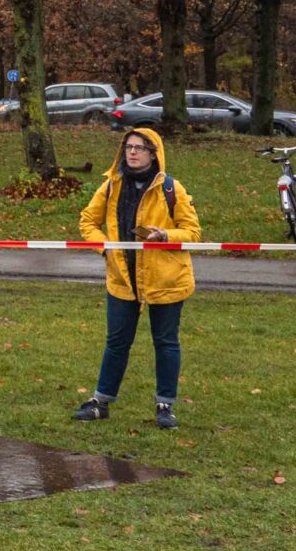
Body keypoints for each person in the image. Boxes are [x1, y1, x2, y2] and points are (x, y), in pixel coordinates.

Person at [71, 126, 200, 429]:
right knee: (116, 342)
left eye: (140, 147)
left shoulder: (171, 189)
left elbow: (193, 232)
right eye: (128, 146)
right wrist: (105, 250)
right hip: (122, 280)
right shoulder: (111, 186)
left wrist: (165, 234)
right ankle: (100, 402)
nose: (132, 152)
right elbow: (87, 222)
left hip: (166, 279)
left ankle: (165, 406)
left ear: (154, 154)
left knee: (166, 342)